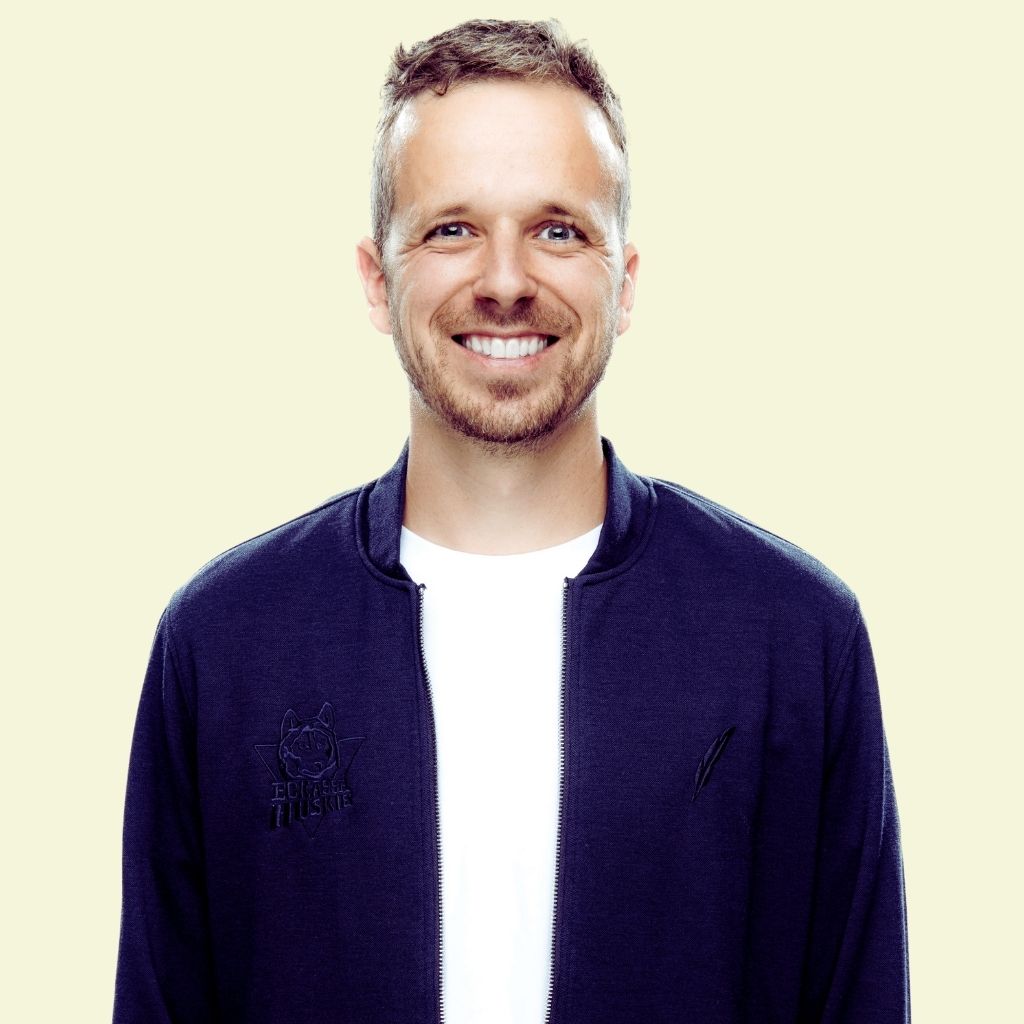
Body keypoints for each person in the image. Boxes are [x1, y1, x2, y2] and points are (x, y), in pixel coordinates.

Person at [113, 18, 910, 1024]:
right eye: (451, 229)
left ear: (624, 282)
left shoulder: (792, 637)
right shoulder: (226, 642)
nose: (503, 280)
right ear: (376, 280)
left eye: (557, 229)